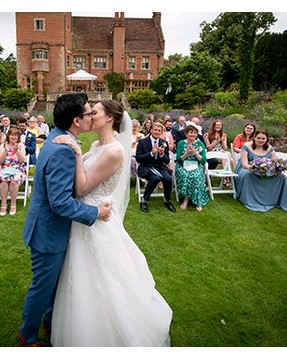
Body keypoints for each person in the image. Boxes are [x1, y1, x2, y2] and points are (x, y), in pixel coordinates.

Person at [50, 100, 172, 346]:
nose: (89, 115)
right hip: (86, 213)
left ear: (109, 118)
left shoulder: (115, 151)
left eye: (94, 112)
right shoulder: (96, 144)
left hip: (97, 217)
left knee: (106, 277)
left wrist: (75, 152)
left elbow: (83, 186)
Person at [19, 93, 112, 347]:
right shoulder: (63, 150)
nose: (91, 117)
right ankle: (27, 336)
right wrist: (95, 213)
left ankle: (51, 322)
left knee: (53, 285)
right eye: (88, 113)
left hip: (49, 229)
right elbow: (59, 202)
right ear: (76, 121)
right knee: (42, 287)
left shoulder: (58, 138)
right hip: (48, 232)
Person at [234, 130, 287, 212]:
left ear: (266, 139)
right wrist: (255, 169)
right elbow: (244, 164)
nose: (260, 140)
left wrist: (277, 168)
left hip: (265, 168)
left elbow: (273, 161)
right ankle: (249, 199)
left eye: (263, 138)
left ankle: (273, 200)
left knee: (281, 176)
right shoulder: (246, 146)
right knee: (247, 175)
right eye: (258, 138)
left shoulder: (270, 148)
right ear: (254, 137)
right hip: (247, 168)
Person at [135, 121, 177, 213]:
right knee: (155, 178)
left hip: (159, 167)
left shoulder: (163, 142)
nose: (157, 132)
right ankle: (144, 200)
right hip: (146, 167)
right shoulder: (142, 142)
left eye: (159, 130)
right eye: (155, 130)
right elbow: (138, 159)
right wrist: (151, 153)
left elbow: (166, 161)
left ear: (161, 132)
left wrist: (162, 154)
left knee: (168, 179)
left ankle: (167, 200)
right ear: (151, 130)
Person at [175, 125, 209, 212]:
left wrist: (195, 153)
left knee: (196, 176)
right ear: (186, 134)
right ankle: (186, 199)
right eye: (191, 132)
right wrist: (187, 154)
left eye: (195, 133)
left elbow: (204, 160)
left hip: (196, 165)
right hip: (183, 165)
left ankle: (198, 201)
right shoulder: (181, 143)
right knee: (185, 175)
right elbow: (178, 160)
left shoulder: (200, 144)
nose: (193, 134)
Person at [0, 127, 27, 216]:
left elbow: (22, 160)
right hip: (4, 167)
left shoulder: (21, 145)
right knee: (3, 180)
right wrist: (5, 153)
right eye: (12, 135)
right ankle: (3, 204)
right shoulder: (3, 145)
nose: (14, 137)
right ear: (8, 136)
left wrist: (16, 151)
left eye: (16, 135)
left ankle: (13, 204)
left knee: (14, 180)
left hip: (18, 168)